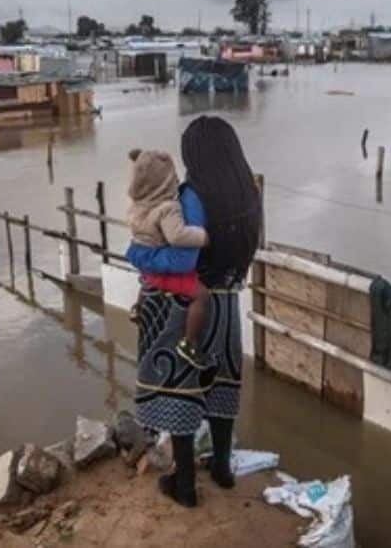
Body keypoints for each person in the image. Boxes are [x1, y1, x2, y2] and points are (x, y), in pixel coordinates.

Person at [127, 116, 261, 508]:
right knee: (221, 388)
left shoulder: (189, 197)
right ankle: (222, 469)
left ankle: (184, 485)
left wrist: (137, 255)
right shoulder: (249, 195)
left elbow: (178, 257)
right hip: (227, 304)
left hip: (186, 307)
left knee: (181, 391)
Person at [126, 148, 211, 368]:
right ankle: (189, 343)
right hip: (162, 270)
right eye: (173, 178)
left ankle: (137, 307)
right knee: (201, 296)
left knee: (145, 278)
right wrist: (203, 237)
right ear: (165, 183)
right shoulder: (168, 208)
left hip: (145, 262)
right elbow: (177, 236)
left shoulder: (138, 205)